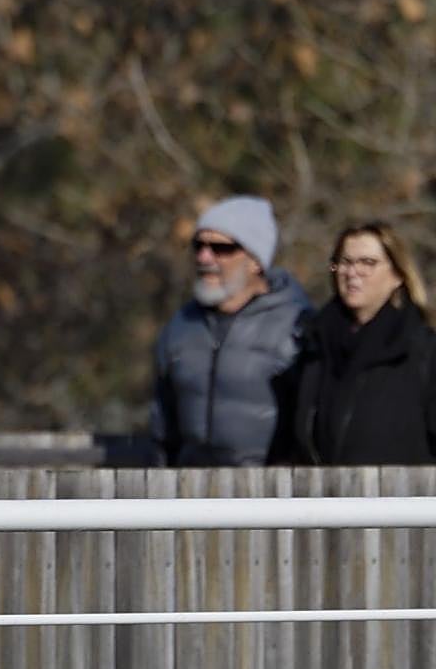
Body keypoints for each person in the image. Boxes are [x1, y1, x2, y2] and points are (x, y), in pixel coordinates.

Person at [150, 195, 311, 466]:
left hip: (269, 496)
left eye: (220, 248)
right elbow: (162, 425)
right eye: (198, 245)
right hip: (188, 494)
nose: (205, 257)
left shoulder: (298, 326)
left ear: (255, 261)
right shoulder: (180, 326)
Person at [293, 221, 436, 464]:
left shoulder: (424, 350)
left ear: (398, 274)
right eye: (345, 262)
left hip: (405, 497)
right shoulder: (315, 345)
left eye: (368, 263)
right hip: (325, 497)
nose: (352, 272)